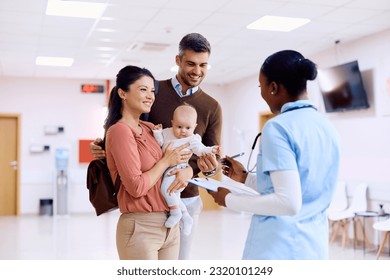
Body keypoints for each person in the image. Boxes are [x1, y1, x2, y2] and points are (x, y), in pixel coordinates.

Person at [89, 33, 222, 260]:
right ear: (178, 60)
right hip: (147, 199)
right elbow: (128, 130)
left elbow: (213, 159)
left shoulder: (212, 106)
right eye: (190, 63)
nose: (197, 71)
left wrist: (193, 170)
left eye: (203, 65)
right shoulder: (153, 92)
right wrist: (102, 146)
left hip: (186, 196)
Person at [210, 50, 341, 260]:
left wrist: (229, 199)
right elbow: (298, 188)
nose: (261, 93)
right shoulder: (326, 126)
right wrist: (245, 178)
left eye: (261, 87)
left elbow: (288, 202)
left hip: (279, 248)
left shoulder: (278, 128)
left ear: (273, 87)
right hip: (313, 248)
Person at [104, 65, 193, 260]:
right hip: (141, 227)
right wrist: (165, 161)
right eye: (143, 89)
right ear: (122, 93)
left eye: (152, 90)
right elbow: (136, 187)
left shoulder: (151, 128)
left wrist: (188, 171)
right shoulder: (119, 131)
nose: (150, 96)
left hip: (170, 224)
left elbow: (178, 159)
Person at [152, 104, 221, 236]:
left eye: (187, 128)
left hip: (180, 169)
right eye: (178, 127)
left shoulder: (193, 139)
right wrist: (157, 133)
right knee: (175, 196)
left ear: (194, 127)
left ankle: (176, 213)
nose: (183, 131)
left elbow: (201, 150)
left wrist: (212, 150)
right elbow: (160, 143)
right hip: (166, 168)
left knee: (167, 190)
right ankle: (186, 217)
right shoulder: (167, 132)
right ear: (172, 123)